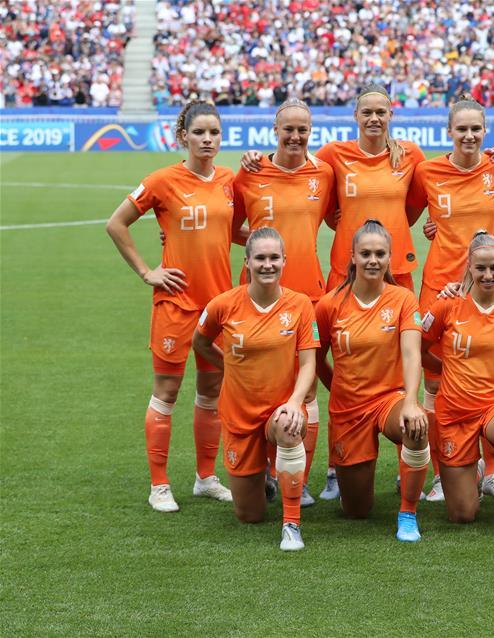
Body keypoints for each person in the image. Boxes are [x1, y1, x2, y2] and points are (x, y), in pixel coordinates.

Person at [106, 100, 234, 513]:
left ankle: (205, 477)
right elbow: (116, 223)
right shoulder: (163, 180)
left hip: (218, 305)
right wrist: (147, 272)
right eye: (200, 133)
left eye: (214, 132)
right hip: (176, 303)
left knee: (211, 392)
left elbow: (233, 231)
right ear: (184, 137)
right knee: (167, 391)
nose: (208, 140)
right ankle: (159, 485)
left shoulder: (230, 180)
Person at [407, 95, 494, 503]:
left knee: (489, 380)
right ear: (448, 132)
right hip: (439, 286)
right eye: (462, 128)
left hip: (484, 287)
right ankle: (440, 471)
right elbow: (411, 214)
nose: (469, 135)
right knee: (436, 383)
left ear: (485, 131)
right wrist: (433, 228)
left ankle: (491, 473)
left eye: (476, 128)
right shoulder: (427, 171)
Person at [231, 98, 336, 507]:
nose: (295, 137)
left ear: (311, 132)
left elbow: (338, 219)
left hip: (307, 294)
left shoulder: (323, 173)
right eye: (288, 129)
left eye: (302, 130)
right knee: (259, 385)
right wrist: (263, 254)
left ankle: (298, 477)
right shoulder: (251, 172)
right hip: (254, 298)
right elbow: (230, 226)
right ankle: (263, 469)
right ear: (275, 130)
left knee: (305, 391)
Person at [192, 228, 318, 550]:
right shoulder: (223, 305)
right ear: (247, 262)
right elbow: (200, 342)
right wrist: (229, 367)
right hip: (238, 414)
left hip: (280, 407)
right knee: (249, 515)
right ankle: (267, 479)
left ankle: (291, 526)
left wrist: (293, 402)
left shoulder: (301, 305)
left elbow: (307, 364)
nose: (267, 265)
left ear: (284, 261)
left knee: (289, 427)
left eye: (274, 258)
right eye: (260, 258)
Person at [314, 220, 430, 542]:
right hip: (348, 409)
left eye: (380, 253)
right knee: (357, 510)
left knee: (416, 427)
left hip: (390, 400)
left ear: (390, 257)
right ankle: (348, 487)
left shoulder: (403, 299)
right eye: (365, 253)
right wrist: (336, 384)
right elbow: (313, 358)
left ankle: (407, 513)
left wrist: (410, 402)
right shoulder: (329, 305)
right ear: (352, 256)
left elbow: (411, 354)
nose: (373, 260)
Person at [420, 231, 494, 540]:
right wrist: (444, 369)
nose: (488, 275)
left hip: (493, 407)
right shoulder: (447, 305)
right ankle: (480, 471)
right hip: (454, 413)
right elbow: (417, 346)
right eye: (481, 268)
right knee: (462, 515)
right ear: (469, 266)